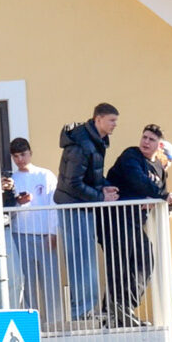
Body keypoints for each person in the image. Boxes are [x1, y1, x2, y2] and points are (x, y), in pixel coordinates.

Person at [97, 124, 172, 325]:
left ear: (159, 146)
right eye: (144, 137)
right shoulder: (131, 156)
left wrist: (169, 205)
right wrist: (161, 196)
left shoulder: (159, 170)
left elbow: (160, 195)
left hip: (133, 221)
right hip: (114, 219)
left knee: (145, 260)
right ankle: (114, 315)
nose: (146, 142)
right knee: (119, 266)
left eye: (151, 139)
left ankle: (121, 310)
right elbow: (138, 180)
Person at [55, 103, 116, 320]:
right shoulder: (82, 145)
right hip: (74, 207)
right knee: (81, 260)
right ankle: (82, 312)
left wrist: (103, 187)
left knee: (84, 258)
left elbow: (90, 177)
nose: (115, 125)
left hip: (81, 205)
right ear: (98, 119)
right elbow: (72, 184)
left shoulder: (94, 141)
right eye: (111, 120)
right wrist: (101, 197)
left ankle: (85, 311)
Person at [5, 139, 61, 320]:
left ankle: (54, 322)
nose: (20, 160)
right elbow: (7, 211)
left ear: (30, 153)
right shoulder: (12, 180)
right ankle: (30, 323)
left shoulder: (45, 175)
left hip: (44, 234)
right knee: (26, 283)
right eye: (15, 156)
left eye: (23, 155)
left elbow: (54, 205)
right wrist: (18, 203)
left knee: (50, 281)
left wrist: (53, 232)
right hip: (20, 234)